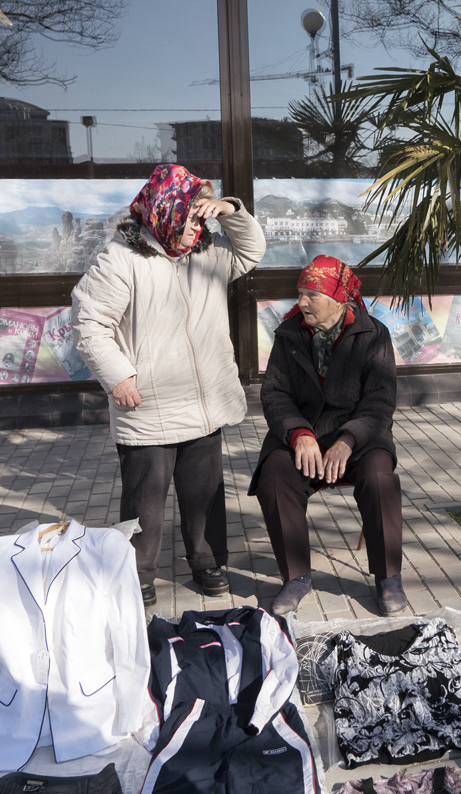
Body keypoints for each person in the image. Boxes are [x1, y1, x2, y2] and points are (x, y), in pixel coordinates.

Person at [72, 164, 265, 607]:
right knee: (146, 501)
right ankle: (138, 574)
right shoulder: (121, 258)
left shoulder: (208, 253)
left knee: (205, 493)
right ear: (166, 209)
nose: (197, 225)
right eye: (192, 216)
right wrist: (117, 374)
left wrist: (229, 210)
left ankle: (207, 561)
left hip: (204, 401)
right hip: (149, 402)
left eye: (201, 217)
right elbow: (89, 322)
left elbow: (252, 251)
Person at [248, 255, 407, 617]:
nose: (301, 302)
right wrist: (299, 434)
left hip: (359, 436)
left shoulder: (373, 335)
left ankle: (387, 575)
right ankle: (296, 575)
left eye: (312, 295)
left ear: (339, 299)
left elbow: (381, 402)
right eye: (300, 293)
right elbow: (274, 394)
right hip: (303, 433)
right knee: (274, 476)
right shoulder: (288, 334)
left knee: (380, 478)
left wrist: (349, 439)